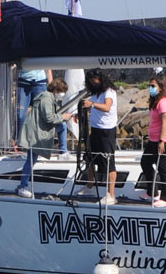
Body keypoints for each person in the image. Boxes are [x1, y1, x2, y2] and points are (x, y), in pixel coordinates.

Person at [15, 78, 73, 198]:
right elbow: (49, 117)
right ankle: (22, 186)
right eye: (62, 91)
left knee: (62, 126)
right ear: (56, 90)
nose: (62, 94)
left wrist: (64, 117)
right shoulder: (47, 99)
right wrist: (63, 116)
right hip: (36, 133)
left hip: (39, 129)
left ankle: (63, 150)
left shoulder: (48, 98)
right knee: (31, 159)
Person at [79, 69, 118, 205]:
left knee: (108, 162)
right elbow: (91, 106)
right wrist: (80, 112)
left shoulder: (109, 92)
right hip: (95, 129)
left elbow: (107, 107)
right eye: (90, 81)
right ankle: (90, 186)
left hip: (106, 131)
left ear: (100, 79)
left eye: (94, 80)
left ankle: (111, 195)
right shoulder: (96, 93)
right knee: (90, 157)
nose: (92, 82)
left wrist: (92, 105)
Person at [140, 75, 166, 207]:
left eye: (153, 86)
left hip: (163, 140)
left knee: (163, 167)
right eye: (150, 85)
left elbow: (165, 123)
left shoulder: (164, 102)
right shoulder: (154, 101)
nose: (151, 88)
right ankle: (152, 192)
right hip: (153, 140)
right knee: (145, 163)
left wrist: (161, 141)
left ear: (160, 88)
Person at [15, 69, 52, 142]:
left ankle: (39, 140)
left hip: (40, 83)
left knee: (41, 114)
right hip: (23, 82)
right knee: (20, 115)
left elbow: (48, 69)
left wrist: (52, 87)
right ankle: (19, 140)